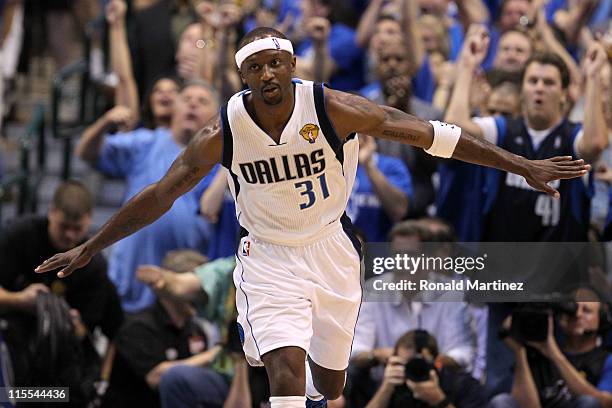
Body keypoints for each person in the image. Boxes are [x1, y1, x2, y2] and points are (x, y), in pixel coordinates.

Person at [36, 26, 590, 407]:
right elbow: (160, 194)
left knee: (329, 379)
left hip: (330, 248)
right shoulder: (223, 131)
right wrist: (93, 245)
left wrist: (519, 163)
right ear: (244, 78)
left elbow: (431, 136)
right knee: (285, 370)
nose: (268, 72)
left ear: (292, 64)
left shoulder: (333, 108)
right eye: (255, 67)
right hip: (268, 256)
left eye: (276, 61)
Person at [75, 80, 219, 312]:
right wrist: (105, 122)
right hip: (129, 280)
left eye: (202, 101)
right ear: (174, 108)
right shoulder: (147, 142)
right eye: (186, 99)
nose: (193, 104)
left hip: (182, 288)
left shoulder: (220, 162)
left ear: (215, 116)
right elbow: (86, 152)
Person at [0, 180, 123, 401]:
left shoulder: (93, 265)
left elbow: (98, 329)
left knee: (57, 394)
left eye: (77, 229)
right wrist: (17, 300)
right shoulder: (20, 235)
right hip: (11, 343)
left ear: (89, 220)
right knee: (10, 393)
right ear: (52, 212)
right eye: (63, 226)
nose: (69, 235)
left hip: (58, 362)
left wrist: (72, 325)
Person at [490, 287, 612, 408]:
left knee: (588, 402)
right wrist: (519, 351)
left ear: (601, 318)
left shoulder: (607, 360)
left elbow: (605, 403)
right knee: (502, 401)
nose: (577, 315)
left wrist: (554, 354)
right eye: (571, 310)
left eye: (586, 311)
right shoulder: (540, 356)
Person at [365, 329, 488, 408]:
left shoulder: (462, 385)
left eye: (420, 363)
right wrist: (385, 390)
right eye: (406, 364)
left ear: (437, 362)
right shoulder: (391, 384)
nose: (414, 370)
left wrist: (440, 400)